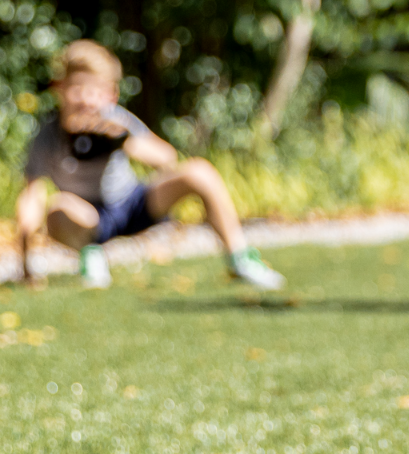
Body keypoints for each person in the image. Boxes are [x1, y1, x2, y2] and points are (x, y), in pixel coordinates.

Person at [15, 39, 285, 291]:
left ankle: (240, 258)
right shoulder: (47, 135)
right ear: (59, 88)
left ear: (111, 94)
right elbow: (32, 196)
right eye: (77, 88)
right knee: (57, 207)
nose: (86, 99)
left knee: (199, 171)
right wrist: (27, 263)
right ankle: (90, 253)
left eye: (94, 90)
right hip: (87, 219)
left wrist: (122, 141)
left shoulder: (115, 120)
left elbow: (167, 158)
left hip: (131, 203)